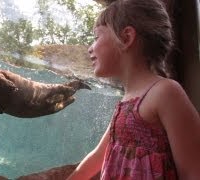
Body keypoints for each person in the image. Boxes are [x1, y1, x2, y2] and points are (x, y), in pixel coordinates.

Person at [67, 0, 200, 179]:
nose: (90, 48)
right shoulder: (126, 102)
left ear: (127, 37)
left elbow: (193, 172)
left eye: (96, 37)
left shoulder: (165, 92)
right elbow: (98, 156)